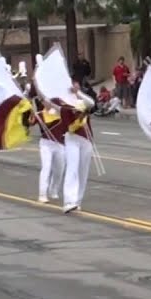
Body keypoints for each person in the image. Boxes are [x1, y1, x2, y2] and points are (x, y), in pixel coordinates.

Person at [59, 76, 96, 213]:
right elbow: (68, 125)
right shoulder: (64, 105)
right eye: (72, 84)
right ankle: (68, 201)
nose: (74, 86)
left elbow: (91, 103)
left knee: (83, 172)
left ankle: (77, 201)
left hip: (86, 139)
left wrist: (78, 93)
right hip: (72, 138)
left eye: (76, 84)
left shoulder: (83, 100)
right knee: (72, 168)